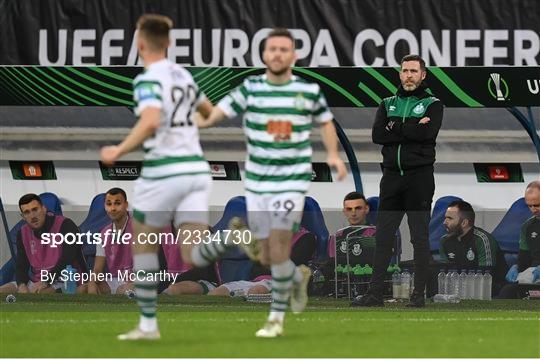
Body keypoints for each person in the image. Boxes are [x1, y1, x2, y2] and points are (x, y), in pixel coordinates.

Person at [196, 28, 347, 337]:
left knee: (277, 248)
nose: (277, 54)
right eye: (272, 49)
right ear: (264, 55)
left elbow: (326, 123)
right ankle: (294, 277)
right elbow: (214, 115)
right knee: (267, 255)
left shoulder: (306, 91)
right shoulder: (250, 88)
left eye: (283, 49)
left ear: (293, 56)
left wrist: (332, 154)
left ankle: (275, 319)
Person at [100, 14, 215, 340]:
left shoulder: (148, 79)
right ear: (168, 42)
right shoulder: (183, 76)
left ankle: (149, 323)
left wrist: (118, 150)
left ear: (140, 44)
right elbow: (208, 112)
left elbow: (149, 122)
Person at [352, 54, 443, 308]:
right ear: (400, 74)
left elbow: (428, 134)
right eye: (405, 71)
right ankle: (374, 294)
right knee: (383, 238)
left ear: (423, 75)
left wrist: (397, 127)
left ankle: (418, 296)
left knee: (419, 239)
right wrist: (412, 126)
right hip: (391, 178)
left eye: (414, 71)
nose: (409, 75)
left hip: (419, 179)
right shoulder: (387, 103)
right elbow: (378, 135)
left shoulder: (433, 104)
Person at [0, 194, 87, 294]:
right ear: (23, 217)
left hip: (66, 281)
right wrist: (22, 285)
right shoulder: (22, 233)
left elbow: (67, 258)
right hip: (36, 281)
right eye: (27, 212)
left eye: (35, 210)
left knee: (40, 293)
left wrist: (46, 281)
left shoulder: (66, 225)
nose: (32, 216)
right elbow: (21, 265)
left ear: (44, 209)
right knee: (3, 290)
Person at [209, 227, 317, 297]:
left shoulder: (307, 238)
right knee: (218, 292)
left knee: (256, 291)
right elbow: (258, 267)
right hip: (256, 281)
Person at [439, 200, 507, 295]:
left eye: (449, 218)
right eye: (445, 218)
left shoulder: (482, 239)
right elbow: (444, 273)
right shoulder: (444, 241)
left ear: (464, 223)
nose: (444, 222)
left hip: (489, 292)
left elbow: (485, 275)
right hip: (457, 291)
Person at [87, 188, 134, 295]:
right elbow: (97, 269)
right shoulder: (103, 233)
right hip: (116, 280)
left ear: (126, 205)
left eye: (117, 203)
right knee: (83, 289)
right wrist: (92, 282)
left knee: (124, 291)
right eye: (109, 204)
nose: (113, 208)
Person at [498, 180, 540, 298]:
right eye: (529, 206)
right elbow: (524, 257)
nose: (533, 209)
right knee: (507, 292)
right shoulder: (528, 226)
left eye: (537, 205)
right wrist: (517, 267)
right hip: (534, 276)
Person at [328, 192, 376, 262]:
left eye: (358, 208)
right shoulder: (336, 236)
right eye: (349, 209)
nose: (353, 213)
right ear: (344, 211)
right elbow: (332, 262)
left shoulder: (376, 235)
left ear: (366, 209)